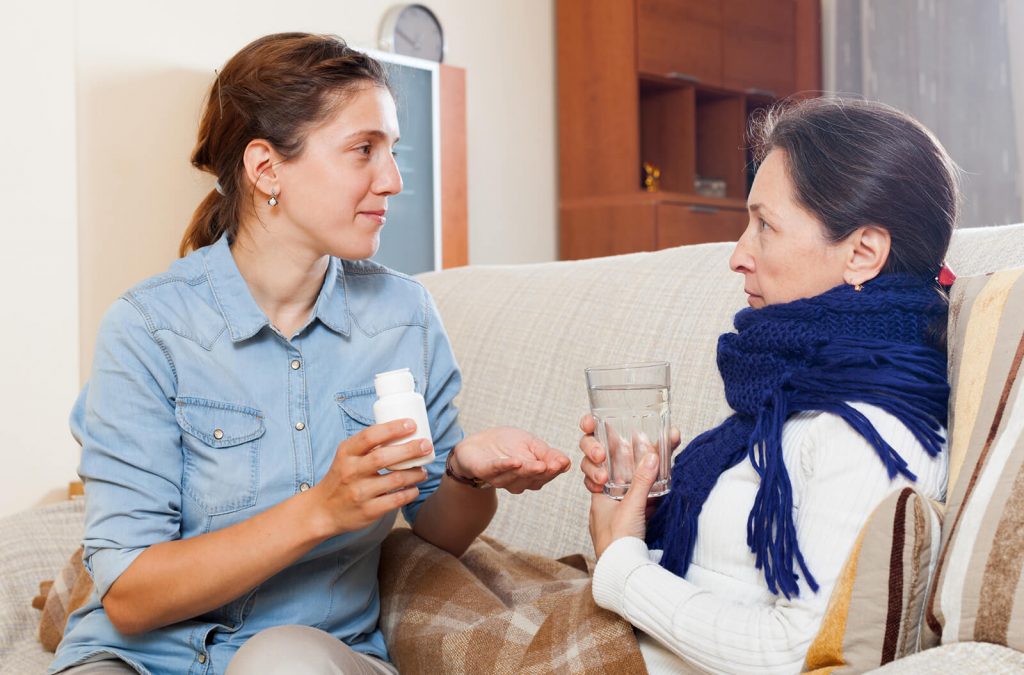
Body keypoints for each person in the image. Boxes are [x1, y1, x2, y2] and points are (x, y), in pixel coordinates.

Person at [50, 32, 569, 675]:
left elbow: (442, 530)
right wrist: (319, 511)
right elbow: (127, 598)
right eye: (363, 151)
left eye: (392, 151)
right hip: (135, 657)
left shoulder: (402, 317)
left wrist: (465, 473)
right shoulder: (148, 330)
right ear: (266, 167)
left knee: (279, 664)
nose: (395, 179)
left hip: (309, 655)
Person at [580, 97, 959, 673]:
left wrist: (621, 566)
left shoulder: (873, 430)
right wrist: (643, 504)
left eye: (765, 225)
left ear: (863, 252)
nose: (738, 255)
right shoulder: (798, 388)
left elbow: (793, 652)